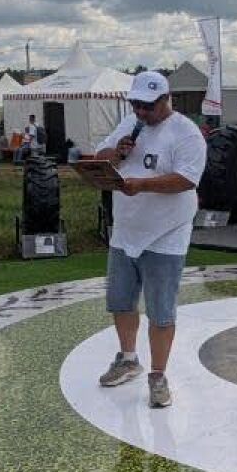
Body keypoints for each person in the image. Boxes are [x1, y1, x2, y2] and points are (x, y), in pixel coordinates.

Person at [87, 71, 206, 409]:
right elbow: (99, 158)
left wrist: (142, 185)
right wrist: (115, 154)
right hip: (125, 232)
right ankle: (128, 359)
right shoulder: (129, 124)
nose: (141, 111)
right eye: (136, 104)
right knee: (121, 302)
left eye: (148, 106)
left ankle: (158, 375)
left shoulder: (186, 133)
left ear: (166, 99)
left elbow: (187, 179)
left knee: (160, 311)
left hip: (166, 235)